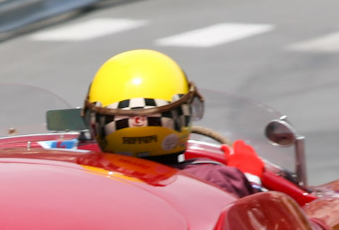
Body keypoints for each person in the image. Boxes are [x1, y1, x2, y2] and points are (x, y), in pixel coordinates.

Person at [82, 49, 263, 198]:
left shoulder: (89, 186)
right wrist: (249, 176)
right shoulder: (214, 181)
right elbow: (257, 217)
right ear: (183, 116)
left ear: (97, 124)